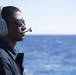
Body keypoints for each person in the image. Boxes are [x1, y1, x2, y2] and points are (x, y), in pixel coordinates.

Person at [0, 6, 26, 75]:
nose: (24, 27)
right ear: (2, 25)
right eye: (19, 22)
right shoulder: (2, 58)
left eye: (24, 22)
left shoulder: (10, 54)